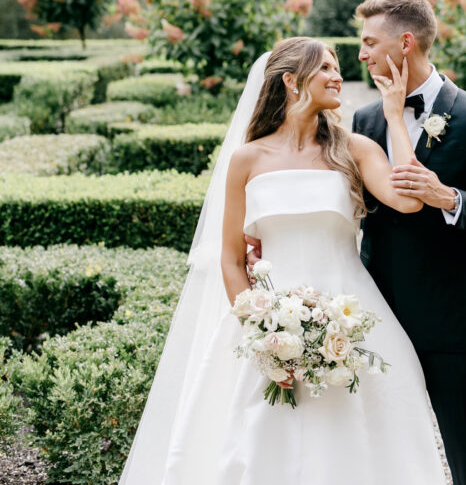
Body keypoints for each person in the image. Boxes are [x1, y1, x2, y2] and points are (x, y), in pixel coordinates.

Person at [119, 37, 447, 485]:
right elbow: (232, 260)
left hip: (351, 314)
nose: (338, 76)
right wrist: (264, 336)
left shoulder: (353, 149)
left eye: (337, 67)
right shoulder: (247, 159)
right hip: (270, 323)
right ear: (291, 81)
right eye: (326, 68)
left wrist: (392, 114)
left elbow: (409, 203)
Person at [352, 0, 466, 485]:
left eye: (369, 42)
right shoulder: (365, 121)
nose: (361, 54)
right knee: (382, 459)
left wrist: (450, 198)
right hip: (378, 318)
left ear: (405, 43)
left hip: (453, 325)